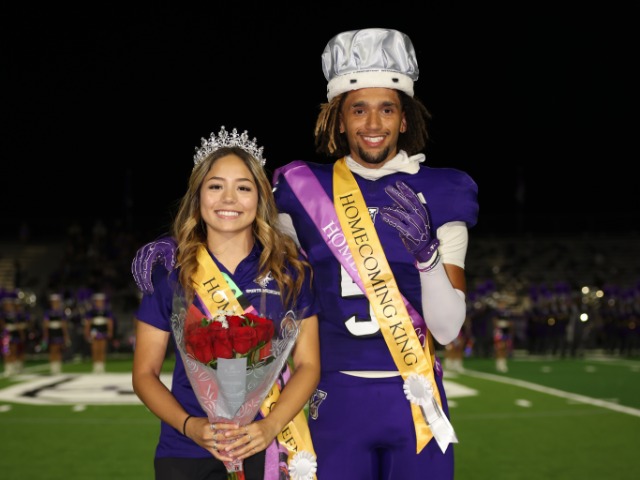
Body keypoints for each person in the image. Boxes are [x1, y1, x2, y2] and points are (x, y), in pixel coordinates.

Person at [132, 28, 478, 479]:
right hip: (330, 402)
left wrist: (428, 259)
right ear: (338, 119)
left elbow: (448, 330)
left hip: (415, 399)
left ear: (405, 118)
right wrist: (181, 245)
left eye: (387, 109)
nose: (373, 124)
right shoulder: (300, 189)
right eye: (359, 109)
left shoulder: (446, 189)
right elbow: (240, 233)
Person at [131, 127, 320, 480]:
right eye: (216, 186)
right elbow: (144, 375)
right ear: (198, 196)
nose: (229, 198)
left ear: (260, 198)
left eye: (243, 187)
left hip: (267, 444)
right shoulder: (168, 272)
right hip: (186, 450)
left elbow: (308, 364)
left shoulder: (291, 270)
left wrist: (270, 427)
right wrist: (191, 426)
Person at [83, 292, 114, 374]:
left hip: (103, 331)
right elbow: (88, 323)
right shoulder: (91, 312)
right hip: (94, 332)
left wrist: (110, 331)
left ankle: (101, 366)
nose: (99, 302)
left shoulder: (107, 311)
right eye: (98, 301)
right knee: (95, 349)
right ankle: (95, 366)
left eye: (101, 301)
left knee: (102, 349)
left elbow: (110, 322)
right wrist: (87, 333)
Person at [42, 293, 71, 375]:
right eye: (54, 302)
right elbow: (45, 324)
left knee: (59, 349)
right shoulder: (48, 312)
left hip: (59, 332)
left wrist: (66, 335)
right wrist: (46, 335)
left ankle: (58, 367)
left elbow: (64, 325)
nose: (56, 303)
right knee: (52, 350)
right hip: (51, 332)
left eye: (57, 302)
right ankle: (53, 367)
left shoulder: (61, 313)